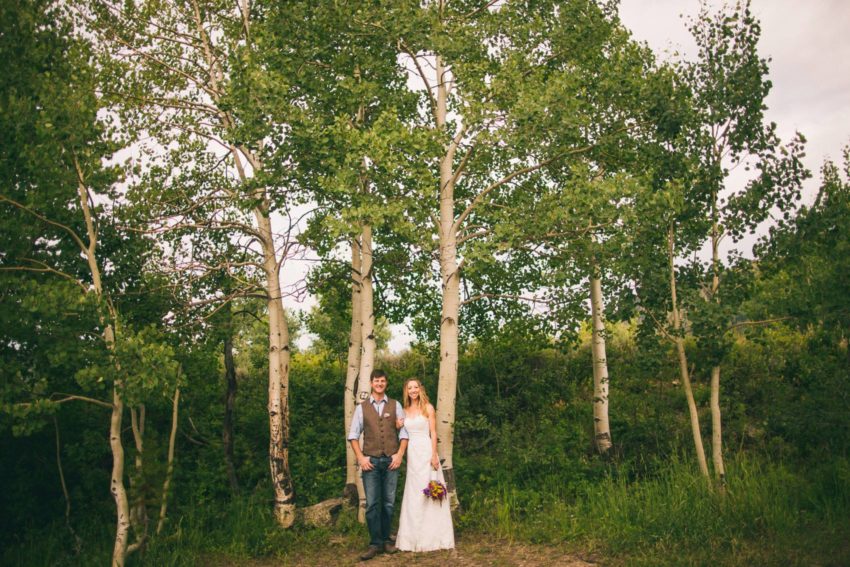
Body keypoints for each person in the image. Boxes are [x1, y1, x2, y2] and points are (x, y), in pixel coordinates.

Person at [347, 369, 409, 561]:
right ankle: (375, 544)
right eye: (376, 381)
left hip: (391, 460)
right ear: (372, 384)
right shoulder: (362, 407)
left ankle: (386, 541)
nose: (379, 384)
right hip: (371, 462)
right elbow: (353, 435)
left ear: (386, 383)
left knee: (389, 503)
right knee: (373, 504)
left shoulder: (395, 405)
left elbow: (404, 433)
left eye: (382, 381)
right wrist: (361, 458)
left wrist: (399, 455)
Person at [395, 378, 455, 552]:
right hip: (412, 453)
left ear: (420, 389)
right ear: (406, 391)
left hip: (426, 451)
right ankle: (413, 536)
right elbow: (401, 430)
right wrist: (397, 425)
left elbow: (433, 432)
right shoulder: (404, 411)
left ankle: (434, 537)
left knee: (430, 489)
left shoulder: (428, 408)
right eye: (409, 388)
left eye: (415, 387)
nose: (413, 390)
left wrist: (434, 454)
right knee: (414, 491)